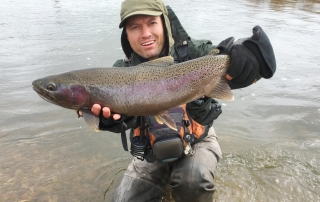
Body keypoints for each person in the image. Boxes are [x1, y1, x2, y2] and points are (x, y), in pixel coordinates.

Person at [85, 0, 276, 201]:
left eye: (152, 23)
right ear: (126, 34)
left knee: (192, 182)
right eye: (135, 27)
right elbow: (122, 122)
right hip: (151, 151)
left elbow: (231, 58)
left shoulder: (194, 52)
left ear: (164, 24)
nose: (146, 34)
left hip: (198, 140)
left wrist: (247, 52)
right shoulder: (119, 72)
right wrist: (110, 121)